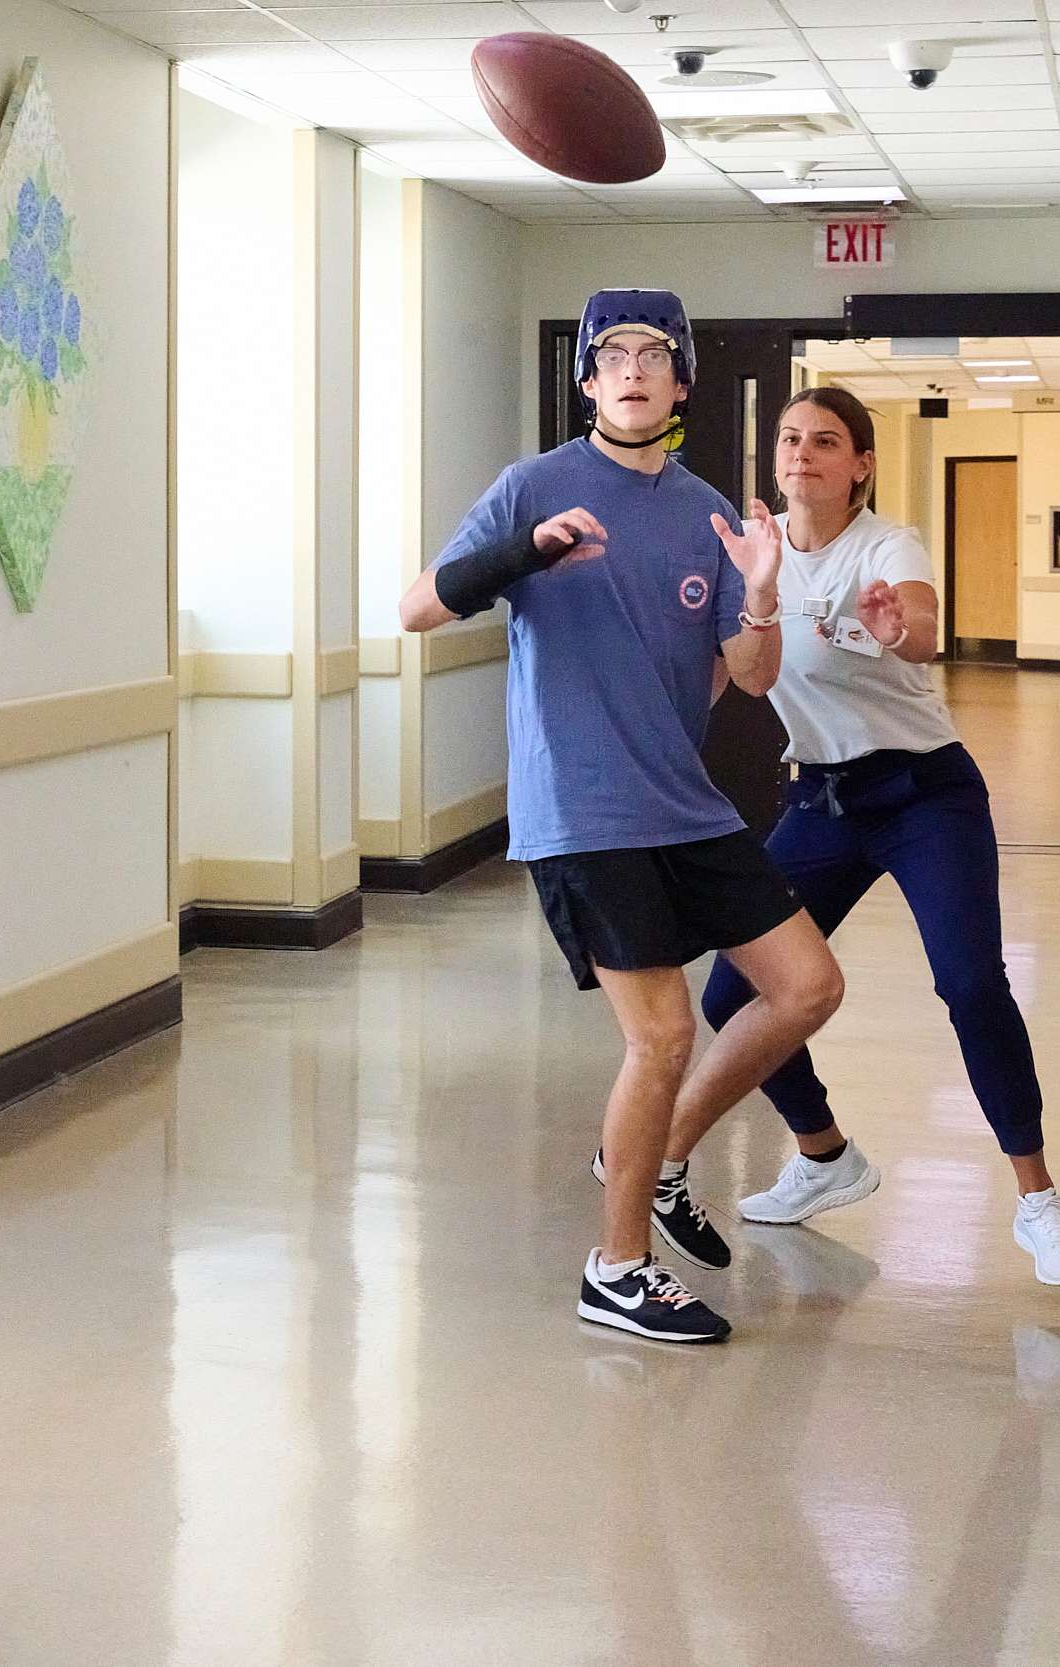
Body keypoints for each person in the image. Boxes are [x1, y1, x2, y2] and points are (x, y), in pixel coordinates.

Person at [399, 289, 845, 1345]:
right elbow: (416, 606)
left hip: (683, 802)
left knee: (808, 985)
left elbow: (747, 673)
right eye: (613, 355)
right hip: (584, 807)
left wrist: (763, 588)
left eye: (654, 354)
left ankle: (653, 1155)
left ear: (680, 381)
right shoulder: (534, 485)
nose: (633, 369)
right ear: (589, 380)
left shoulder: (706, 514)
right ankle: (616, 1265)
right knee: (660, 1033)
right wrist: (525, 552)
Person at [695, 386, 1060, 1287]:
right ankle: (823, 1152)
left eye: (827, 442)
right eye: (792, 439)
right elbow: (747, 677)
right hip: (821, 802)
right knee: (731, 996)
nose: (804, 454)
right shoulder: (753, 559)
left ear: (861, 465)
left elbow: (919, 628)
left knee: (969, 979)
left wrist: (897, 628)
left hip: (924, 793)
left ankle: (1038, 1201)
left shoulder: (888, 544)